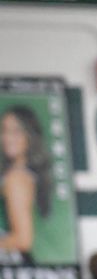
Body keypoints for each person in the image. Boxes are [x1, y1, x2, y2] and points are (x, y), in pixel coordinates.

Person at [0, 104, 52, 264]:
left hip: (14, 263)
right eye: (4, 130)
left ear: (30, 136)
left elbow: (23, 239)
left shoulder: (16, 178)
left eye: (16, 131)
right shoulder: (21, 173)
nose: (8, 137)